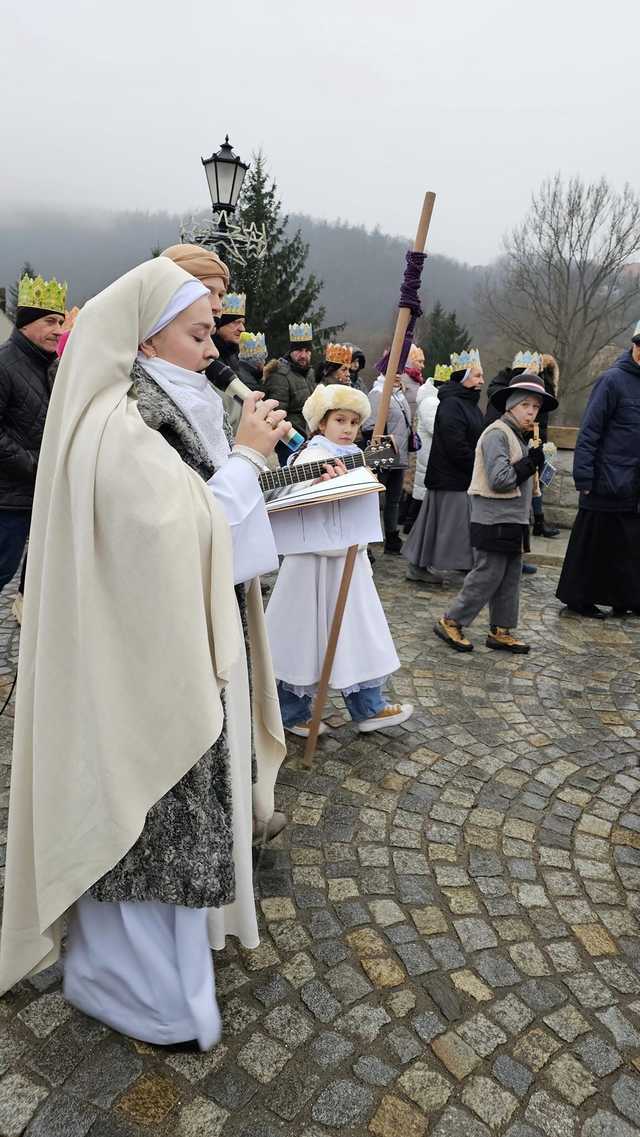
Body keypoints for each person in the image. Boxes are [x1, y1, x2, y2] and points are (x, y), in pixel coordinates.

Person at [0, 258, 289, 1052]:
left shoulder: (173, 401)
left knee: (176, 817)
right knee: (144, 811)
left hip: (172, 644)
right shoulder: (120, 416)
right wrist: (249, 460)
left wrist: (255, 469)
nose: (210, 349)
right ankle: (129, 982)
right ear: (146, 331)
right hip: (135, 660)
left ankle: (163, 973)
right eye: (198, 333)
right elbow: (173, 534)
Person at [266, 383, 413, 736]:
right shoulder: (310, 457)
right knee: (302, 636)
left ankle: (368, 706)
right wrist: (321, 486)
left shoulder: (358, 455)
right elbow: (292, 496)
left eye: (353, 422)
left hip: (350, 561)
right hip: (313, 565)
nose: (348, 428)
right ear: (321, 424)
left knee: (357, 633)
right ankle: (292, 710)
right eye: (340, 420)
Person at [434, 371, 556, 654]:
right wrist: (530, 463)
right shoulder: (497, 433)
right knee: (487, 573)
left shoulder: (520, 435)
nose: (531, 412)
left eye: (536, 407)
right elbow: (500, 479)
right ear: (511, 405)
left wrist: (534, 460)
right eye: (526, 405)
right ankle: (451, 620)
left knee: (511, 575)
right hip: (493, 518)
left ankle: (501, 630)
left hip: (513, 519)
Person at [556, 322, 640, 619]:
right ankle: (578, 597)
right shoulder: (611, 380)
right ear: (636, 347)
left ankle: (627, 598)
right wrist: (584, 477)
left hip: (633, 484)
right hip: (604, 479)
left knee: (629, 546)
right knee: (592, 545)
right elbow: (589, 431)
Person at [0, 274, 66, 619]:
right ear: (25, 323)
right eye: (49, 321)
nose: (58, 329)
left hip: (33, 496)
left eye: (60, 321)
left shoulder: (49, 366)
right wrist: (36, 466)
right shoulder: (5, 362)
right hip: (7, 499)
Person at [402, 350, 484, 581]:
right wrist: (476, 466)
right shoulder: (451, 405)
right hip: (450, 478)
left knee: (441, 526)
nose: (481, 381)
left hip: (459, 477)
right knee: (441, 527)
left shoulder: (469, 404)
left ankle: (466, 565)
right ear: (464, 376)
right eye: (477, 376)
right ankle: (420, 567)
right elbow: (455, 444)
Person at [362, 371, 412, 553]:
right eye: (394, 372)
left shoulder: (399, 394)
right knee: (374, 499)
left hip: (399, 453)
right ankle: (365, 542)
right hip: (383, 454)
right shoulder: (377, 393)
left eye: (401, 372)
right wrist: (383, 449)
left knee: (394, 499)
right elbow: (369, 426)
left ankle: (391, 537)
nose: (398, 376)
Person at [263, 322, 317, 462]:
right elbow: (277, 414)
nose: (303, 355)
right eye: (299, 350)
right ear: (291, 351)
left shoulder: (310, 373)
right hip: (291, 440)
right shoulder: (280, 375)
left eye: (307, 350)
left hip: (309, 437)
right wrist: (295, 439)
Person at [402, 372, 439, 534]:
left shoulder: (432, 399)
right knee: (420, 494)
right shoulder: (431, 401)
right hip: (427, 453)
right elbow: (434, 427)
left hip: (428, 453)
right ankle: (411, 527)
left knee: (420, 492)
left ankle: (411, 525)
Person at [531, 353, 561, 538]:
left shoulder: (540, 385)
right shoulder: (543, 385)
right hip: (535, 434)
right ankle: (538, 522)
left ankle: (538, 521)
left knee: (538, 480)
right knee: (536, 481)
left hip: (539, 434)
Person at [402, 343, 426, 418]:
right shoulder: (401, 379)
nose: (423, 366)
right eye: (419, 362)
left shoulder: (418, 379)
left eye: (423, 362)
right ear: (409, 361)